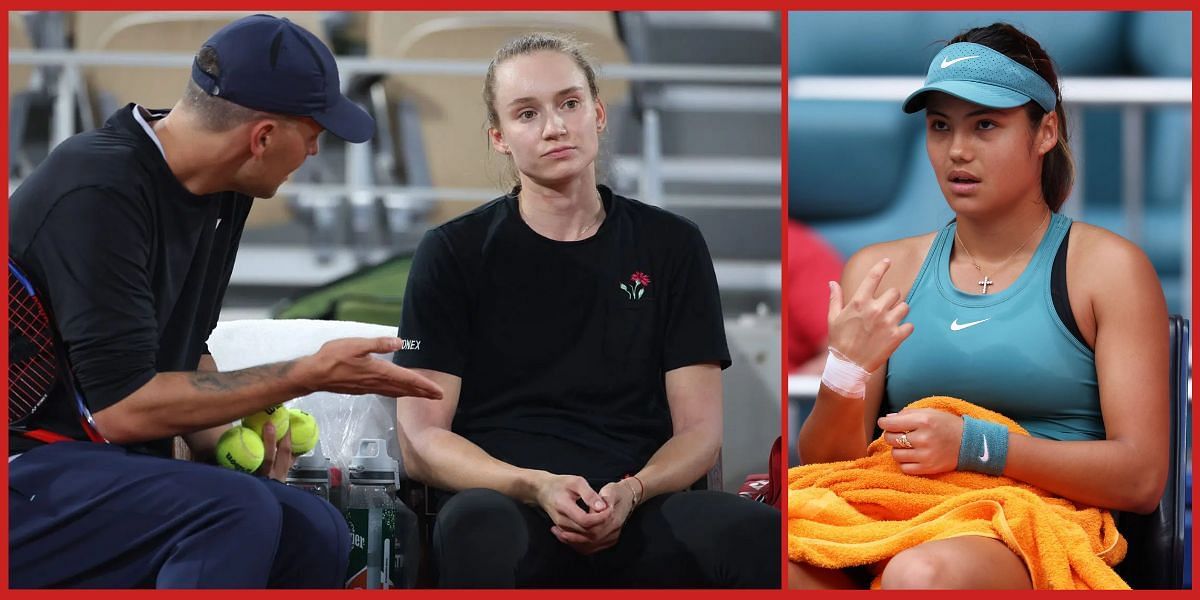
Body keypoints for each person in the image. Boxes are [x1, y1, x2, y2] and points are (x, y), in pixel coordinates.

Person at [8, 14, 443, 589]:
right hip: (23, 464)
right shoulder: (97, 189)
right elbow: (124, 408)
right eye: (313, 131)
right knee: (238, 510)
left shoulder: (226, 186)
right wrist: (304, 374)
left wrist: (229, 443)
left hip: (91, 470)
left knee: (316, 526)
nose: (316, 150)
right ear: (262, 138)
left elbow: (185, 352)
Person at [392, 33, 780, 588]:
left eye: (569, 103)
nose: (554, 126)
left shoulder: (673, 245)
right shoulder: (453, 251)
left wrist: (633, 490)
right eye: (528, 114)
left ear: (597, 113)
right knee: (476, 528)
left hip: (640, 504)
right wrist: (533, 485)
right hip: (508, 502)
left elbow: (699, 429)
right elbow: (422, 440)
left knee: (760, 535)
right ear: (499, 138)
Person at [790, 23, 1168, 589]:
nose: (957, 151)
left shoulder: (1110, 268)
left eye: (985, 125)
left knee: (920, 576)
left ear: (1045, 133)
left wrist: (974, 446)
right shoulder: (882, 269)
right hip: (895, 510)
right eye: (940, 127)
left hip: (1044, 522)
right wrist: (844, 371)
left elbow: (1141, 477)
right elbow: (829, 468)